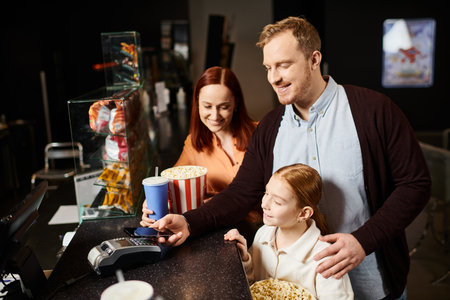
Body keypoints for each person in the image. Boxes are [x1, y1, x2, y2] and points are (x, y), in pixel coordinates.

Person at [149, 16, 431, 300]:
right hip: (298, 288)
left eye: (284, 65)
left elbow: (415, 184)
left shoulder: (374, 111)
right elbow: (241, 194)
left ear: (314, 59)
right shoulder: (271, 128)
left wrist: (363, 241)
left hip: (371, 284)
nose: (274, 77)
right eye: (269, 68)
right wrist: (189, 222)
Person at [140, 66, 260, 229]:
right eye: (207, 106)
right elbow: (172, 184)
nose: (215, 115)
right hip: (217, 227)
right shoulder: (194, 144)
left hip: (259, 228)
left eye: (223, 107)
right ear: (197, 104)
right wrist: (152, 202)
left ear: (236, 103)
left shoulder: (260, 134)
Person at [224, 163, 354, 299]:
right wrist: (244, 258)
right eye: (266, 193)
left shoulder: (326, 260)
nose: (264, 204)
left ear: (304, 214)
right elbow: (253, 286)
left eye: (277, 202)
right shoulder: (263, 234)